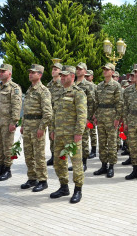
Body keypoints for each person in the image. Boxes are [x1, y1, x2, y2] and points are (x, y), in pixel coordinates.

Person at [49, 65, 87, 203]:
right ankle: (63, 187)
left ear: (72, 76)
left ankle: (78, 190)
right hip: (59, 134)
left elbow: (82, 115)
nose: (62, 77)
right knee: (58, 162)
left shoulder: (78, 93)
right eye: (61, 75)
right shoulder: (59, 93)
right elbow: (54, 113)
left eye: (65, 75)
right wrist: (52, 130)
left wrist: (78, 132)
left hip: (72, 135)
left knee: (76, 163)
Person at [20, 64, 52, 192]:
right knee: (28, 154)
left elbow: (48, 113)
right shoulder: (29, 90)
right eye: (30, 72)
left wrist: (42, 128)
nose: (30, 74)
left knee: (39, 155)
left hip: (37, 127)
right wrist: (23, 125)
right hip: (27, 126)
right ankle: (32, 178)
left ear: (40, 75)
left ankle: (43, 181)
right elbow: (26, 111)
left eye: (33, 72)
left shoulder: (43, 91)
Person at [0, 64, 22, 181]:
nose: (1, 73)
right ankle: (0, 168)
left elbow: (16, 106)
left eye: (3, 71)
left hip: (8, 123)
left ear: (9, 73)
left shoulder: (14, 88)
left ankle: (7, 170)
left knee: (7, 147)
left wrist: (14, 122)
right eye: (0, 71)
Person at [93, 63, 123, 178]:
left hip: (111, 118)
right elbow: (96, 102)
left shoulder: (116, 86)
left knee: (111, 143)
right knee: (102, 142)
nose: (104, 71)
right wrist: (95, 115)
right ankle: (103, 165)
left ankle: (111, 166)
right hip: (101, 118)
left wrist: (117, 118)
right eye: (104, 69)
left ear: (112, 72)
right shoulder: (99, 86)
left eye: (107, 69)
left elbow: (119, 103)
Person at [67, 62, 95, 172]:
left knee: (83, 140)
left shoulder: (88, 85)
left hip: (83, 117)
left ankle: (84, 163)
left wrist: (89, 118)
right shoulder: (72, 84)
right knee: (73, 141)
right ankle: (75, 162)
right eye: (77, 69)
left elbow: (92, 103)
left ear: (85, 71)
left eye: (80, 69)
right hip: (72, 117)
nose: (78, 70)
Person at [46, 62, 63, 166]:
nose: (53, 71)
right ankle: (53, 156)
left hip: (59, 114)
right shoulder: (49, 85)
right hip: (51, 113)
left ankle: (60, 156)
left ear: (60, 72)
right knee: (51, 135)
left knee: (59, 136)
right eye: (53, 69)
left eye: (56, 69)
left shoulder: (62, 84)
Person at [85, 70, 98, 159]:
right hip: (84, 112)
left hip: (91, 113)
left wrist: (94, 113)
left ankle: (93, 150)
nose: (86, 77)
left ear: (92, 77)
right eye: (85, 76)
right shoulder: (82, 86)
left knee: (92, 132)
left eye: (88, 76)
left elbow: (95, 101)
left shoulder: (94, 87)